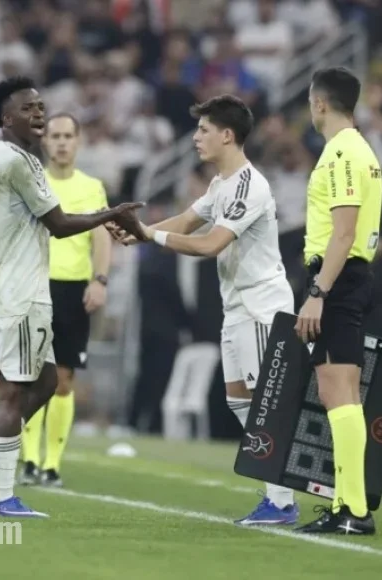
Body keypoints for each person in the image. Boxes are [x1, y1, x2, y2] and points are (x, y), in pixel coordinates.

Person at [0, 76, 145, 518]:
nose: (38, 114)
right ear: (6, 118)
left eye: (40, 107)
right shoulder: (16, 162)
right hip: (18, 289)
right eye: (28, 109)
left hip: (17, 284)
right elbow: (57, 224)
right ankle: (1, 496)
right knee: (14, 390)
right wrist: (111, 214)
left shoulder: (8, 157)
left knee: (46, 382)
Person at [111, 94, 299, 526]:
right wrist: (138, 232)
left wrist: (150, 237)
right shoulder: (221, 185)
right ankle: (278, 490)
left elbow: (210, 244)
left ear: (227, 135)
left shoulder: (250, 186)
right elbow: (186, 221)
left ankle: (282, 501)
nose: (195, 137)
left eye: (203, 130)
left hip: (261, 305)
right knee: (239, 401)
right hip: (236, 306)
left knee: (265, 405)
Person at [292, 67, 382, 535]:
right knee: (338, 392)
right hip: (345, 277)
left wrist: (317, 293)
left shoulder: (343, 151)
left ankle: (353, 509)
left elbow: (343, 233)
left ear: (319, 103)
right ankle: (350, 505)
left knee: (339, 392)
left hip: (338, 278)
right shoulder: (358, 149)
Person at [20, 113, 112, 488]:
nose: (61, 142)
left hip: (73, 289)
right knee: (29, 376)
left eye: (67, 136)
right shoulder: (32, 182)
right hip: (35, 286)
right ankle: (29, 459)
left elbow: (102, 236)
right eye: (55, 136)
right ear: (45, 141)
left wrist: (100, 279)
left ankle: (52, 464)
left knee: (62, 379)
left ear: (78, 141)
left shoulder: (92, 187)